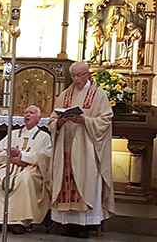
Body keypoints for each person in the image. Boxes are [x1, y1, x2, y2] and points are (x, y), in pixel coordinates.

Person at [49, 62, 115, 238]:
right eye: (74, 76)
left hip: (87, 149)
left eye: (80, 75)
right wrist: (59, 122)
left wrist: (84, 120)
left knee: (84, 183)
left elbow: (105, 120)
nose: (77, 79)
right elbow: (52, 121)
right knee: (66, 184)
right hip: (66, 148)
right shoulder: (65, 95)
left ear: (88, 74)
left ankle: (85, 225)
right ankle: (68, 223)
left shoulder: (99, 95)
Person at [0, 105, 52, 235]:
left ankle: (20, 221)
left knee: (25, 179)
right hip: (9, 166)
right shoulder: (14, 133)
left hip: (31, 169)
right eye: (26, 112)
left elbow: (44, 157)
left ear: (39, 119)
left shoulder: (44, 137)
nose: (27, 115)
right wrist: (11, 158)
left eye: (31, 113)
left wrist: (23, 156)